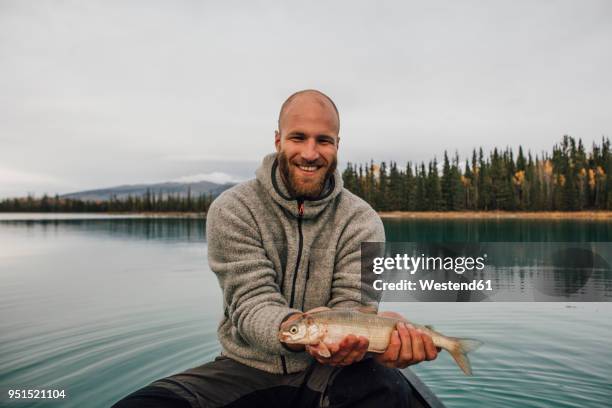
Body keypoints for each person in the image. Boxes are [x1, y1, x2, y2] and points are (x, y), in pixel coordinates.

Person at [113, 90, 438, 408]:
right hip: (243, 370)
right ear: (277, 140)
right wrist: (295, 330)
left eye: (323, 140)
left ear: (337, 145)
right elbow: (251, 303)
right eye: (298, 137)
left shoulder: (363, 221)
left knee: (388, 388)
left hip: (331, 373)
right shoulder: (233, 208)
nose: (311, 153)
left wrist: (369, 341)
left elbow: (353, 307)